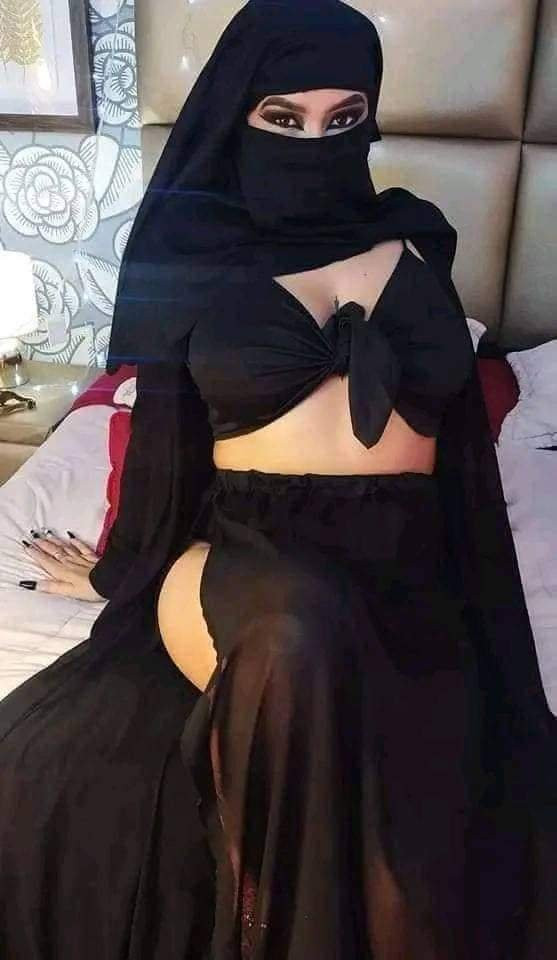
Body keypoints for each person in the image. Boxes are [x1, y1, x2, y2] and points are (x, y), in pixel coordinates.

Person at [1, 1, 555, 958]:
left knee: (419, 711)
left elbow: (463, 444)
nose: (315, 140)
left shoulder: (417, 240)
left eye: (345, 118)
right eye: (282, 117)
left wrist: (483, 600)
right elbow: (165, 446)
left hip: (403, 557)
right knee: (300, 633)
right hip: (248, 546)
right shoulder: (192, 252)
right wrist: (115, 573)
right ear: (239, 115)